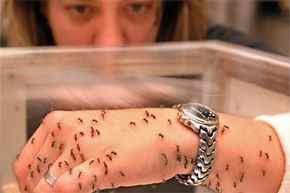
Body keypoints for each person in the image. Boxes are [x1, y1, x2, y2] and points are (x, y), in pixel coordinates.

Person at [1, 0, 289, 193]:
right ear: (41, 10)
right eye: (80, 9)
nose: (110, 45)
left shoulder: (221, 54)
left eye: (137, 6)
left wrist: (184, 138)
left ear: (166, 9)